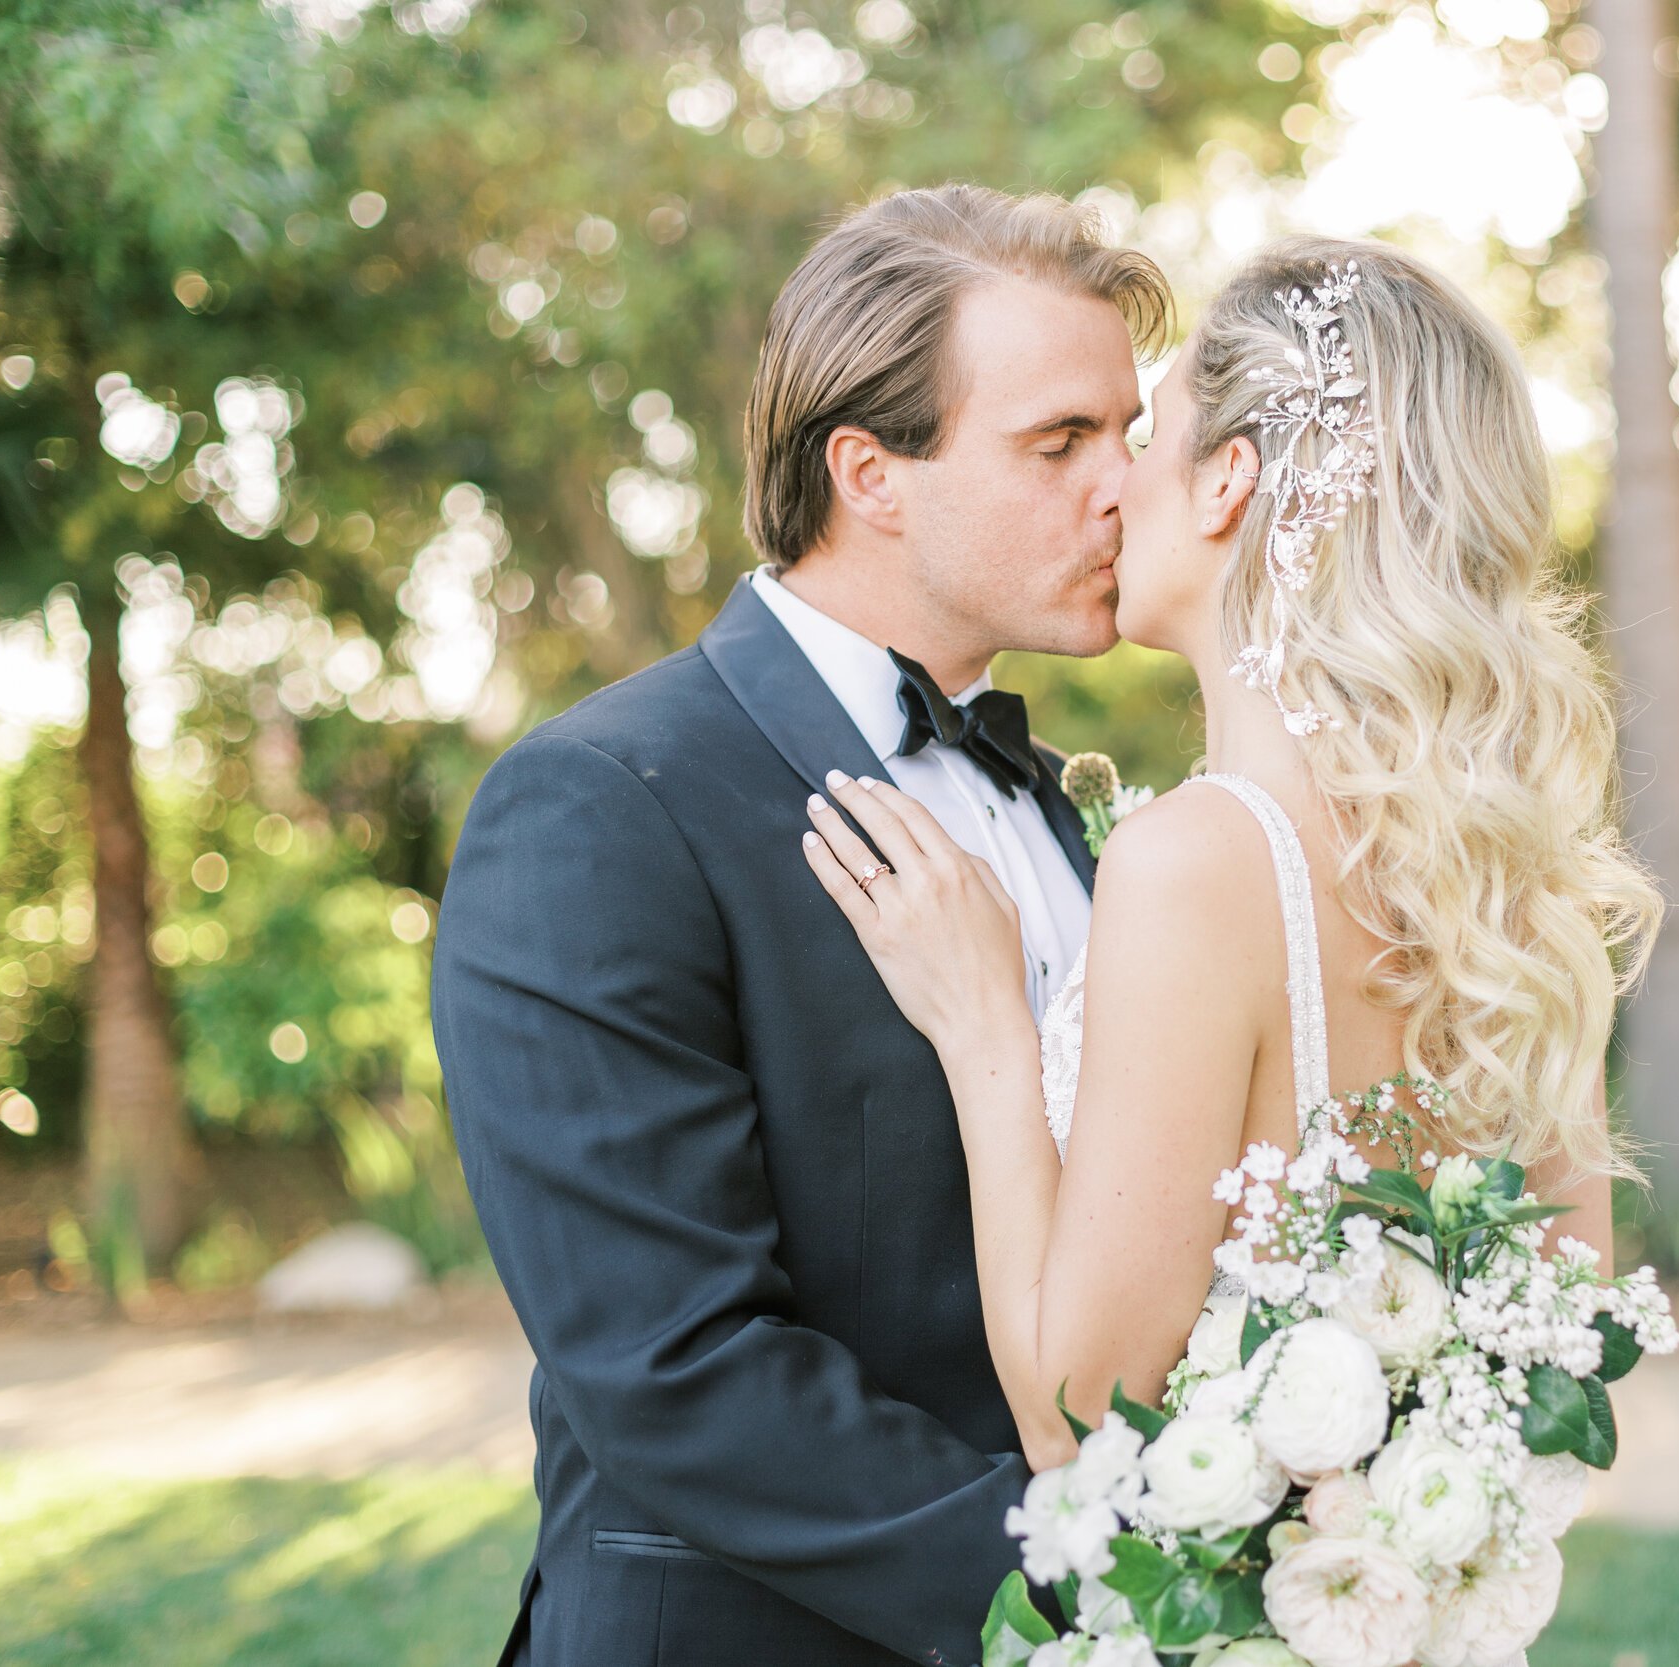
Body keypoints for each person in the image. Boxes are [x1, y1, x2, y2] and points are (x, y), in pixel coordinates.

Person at [430, 184, 1166, 1667]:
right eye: (1060, 442)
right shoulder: (599, 804)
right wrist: (1098, 1595)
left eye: (1131, 438)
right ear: (870, 471)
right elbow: (673, 1365)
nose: (1123, 490)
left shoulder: (1059, 812)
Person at [799, 237, 1662, 1471]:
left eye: (1145, 438)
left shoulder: (1195, 861)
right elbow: (1557, 1363)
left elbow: (1075, 1413)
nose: (1111, 485)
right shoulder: (1514, 888)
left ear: (1225, 485)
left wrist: (985, 1027)